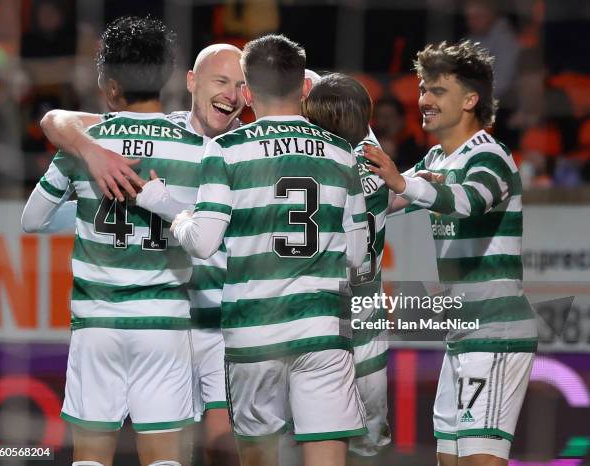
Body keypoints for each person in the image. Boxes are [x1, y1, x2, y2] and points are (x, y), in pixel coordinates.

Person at [38, 42, 246, 466]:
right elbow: (55, 120)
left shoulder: (249, 150)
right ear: (191, 82)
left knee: (224, 450)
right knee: (173, 450)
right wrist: (92, 154)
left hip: (226, 322)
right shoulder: (168, 131)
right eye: (221, 81)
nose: (231, 93)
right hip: (171, 318)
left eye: (242, 85)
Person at [170, 34, 368, 466]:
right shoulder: (341, 153)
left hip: (253, 332)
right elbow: (357, 258)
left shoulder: (226, 151)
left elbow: (203, 244)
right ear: (304, 89)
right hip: (322, 331)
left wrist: (175, 213)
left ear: (246, 91)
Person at [21, 16, 203, 466]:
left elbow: (33, 219)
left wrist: (86, 210)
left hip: (97, 321)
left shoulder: (85, 145)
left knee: (90, 458)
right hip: (164, 322)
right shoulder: (197, 149)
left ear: (109, 84)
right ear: (166, 79)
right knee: (164, 458)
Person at [363, 41, 537, 465]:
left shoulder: (491, 156)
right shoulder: (437, 157)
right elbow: (383, 202)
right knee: (449, 460)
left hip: (496, 333)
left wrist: (403, 184)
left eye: (437, 90)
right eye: (423, 89)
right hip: (461, 333)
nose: (423, 100)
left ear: (471, 99)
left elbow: (467, 200)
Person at [301, 73, 391, 464]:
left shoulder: (314, 167)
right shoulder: (378, 164)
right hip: (365, 325)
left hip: (322, 322)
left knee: (311, 440)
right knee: (365, 448)